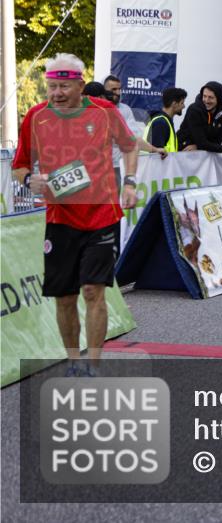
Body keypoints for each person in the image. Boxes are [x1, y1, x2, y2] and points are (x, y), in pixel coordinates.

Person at [12, 54, 139, 377]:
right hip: (60, 220)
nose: (56, 92)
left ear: (80, 85)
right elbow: (19, 166)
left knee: (93, 290)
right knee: (65, 297)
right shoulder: (36, 117)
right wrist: (30, 180)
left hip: (101, 216)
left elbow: (130, 145)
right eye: (51, 86)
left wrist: (130, 183)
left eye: (63, 86)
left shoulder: (104, 112)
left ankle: (93, 364)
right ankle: (73, 362)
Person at [177, 81, 222, 153]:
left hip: (206, 156)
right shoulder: (194, 110)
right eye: (204, 96)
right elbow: (202, 143)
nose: (206, 100)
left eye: (211, 97)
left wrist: (198, 146)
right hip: (183, 150)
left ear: (218, 99)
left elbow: (217, 142)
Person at [144, 87, 188, 152]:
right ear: (174, 104)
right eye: (182, 103)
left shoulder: (164, 121)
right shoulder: (161, 122)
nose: (184, 106)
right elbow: (156, 155)